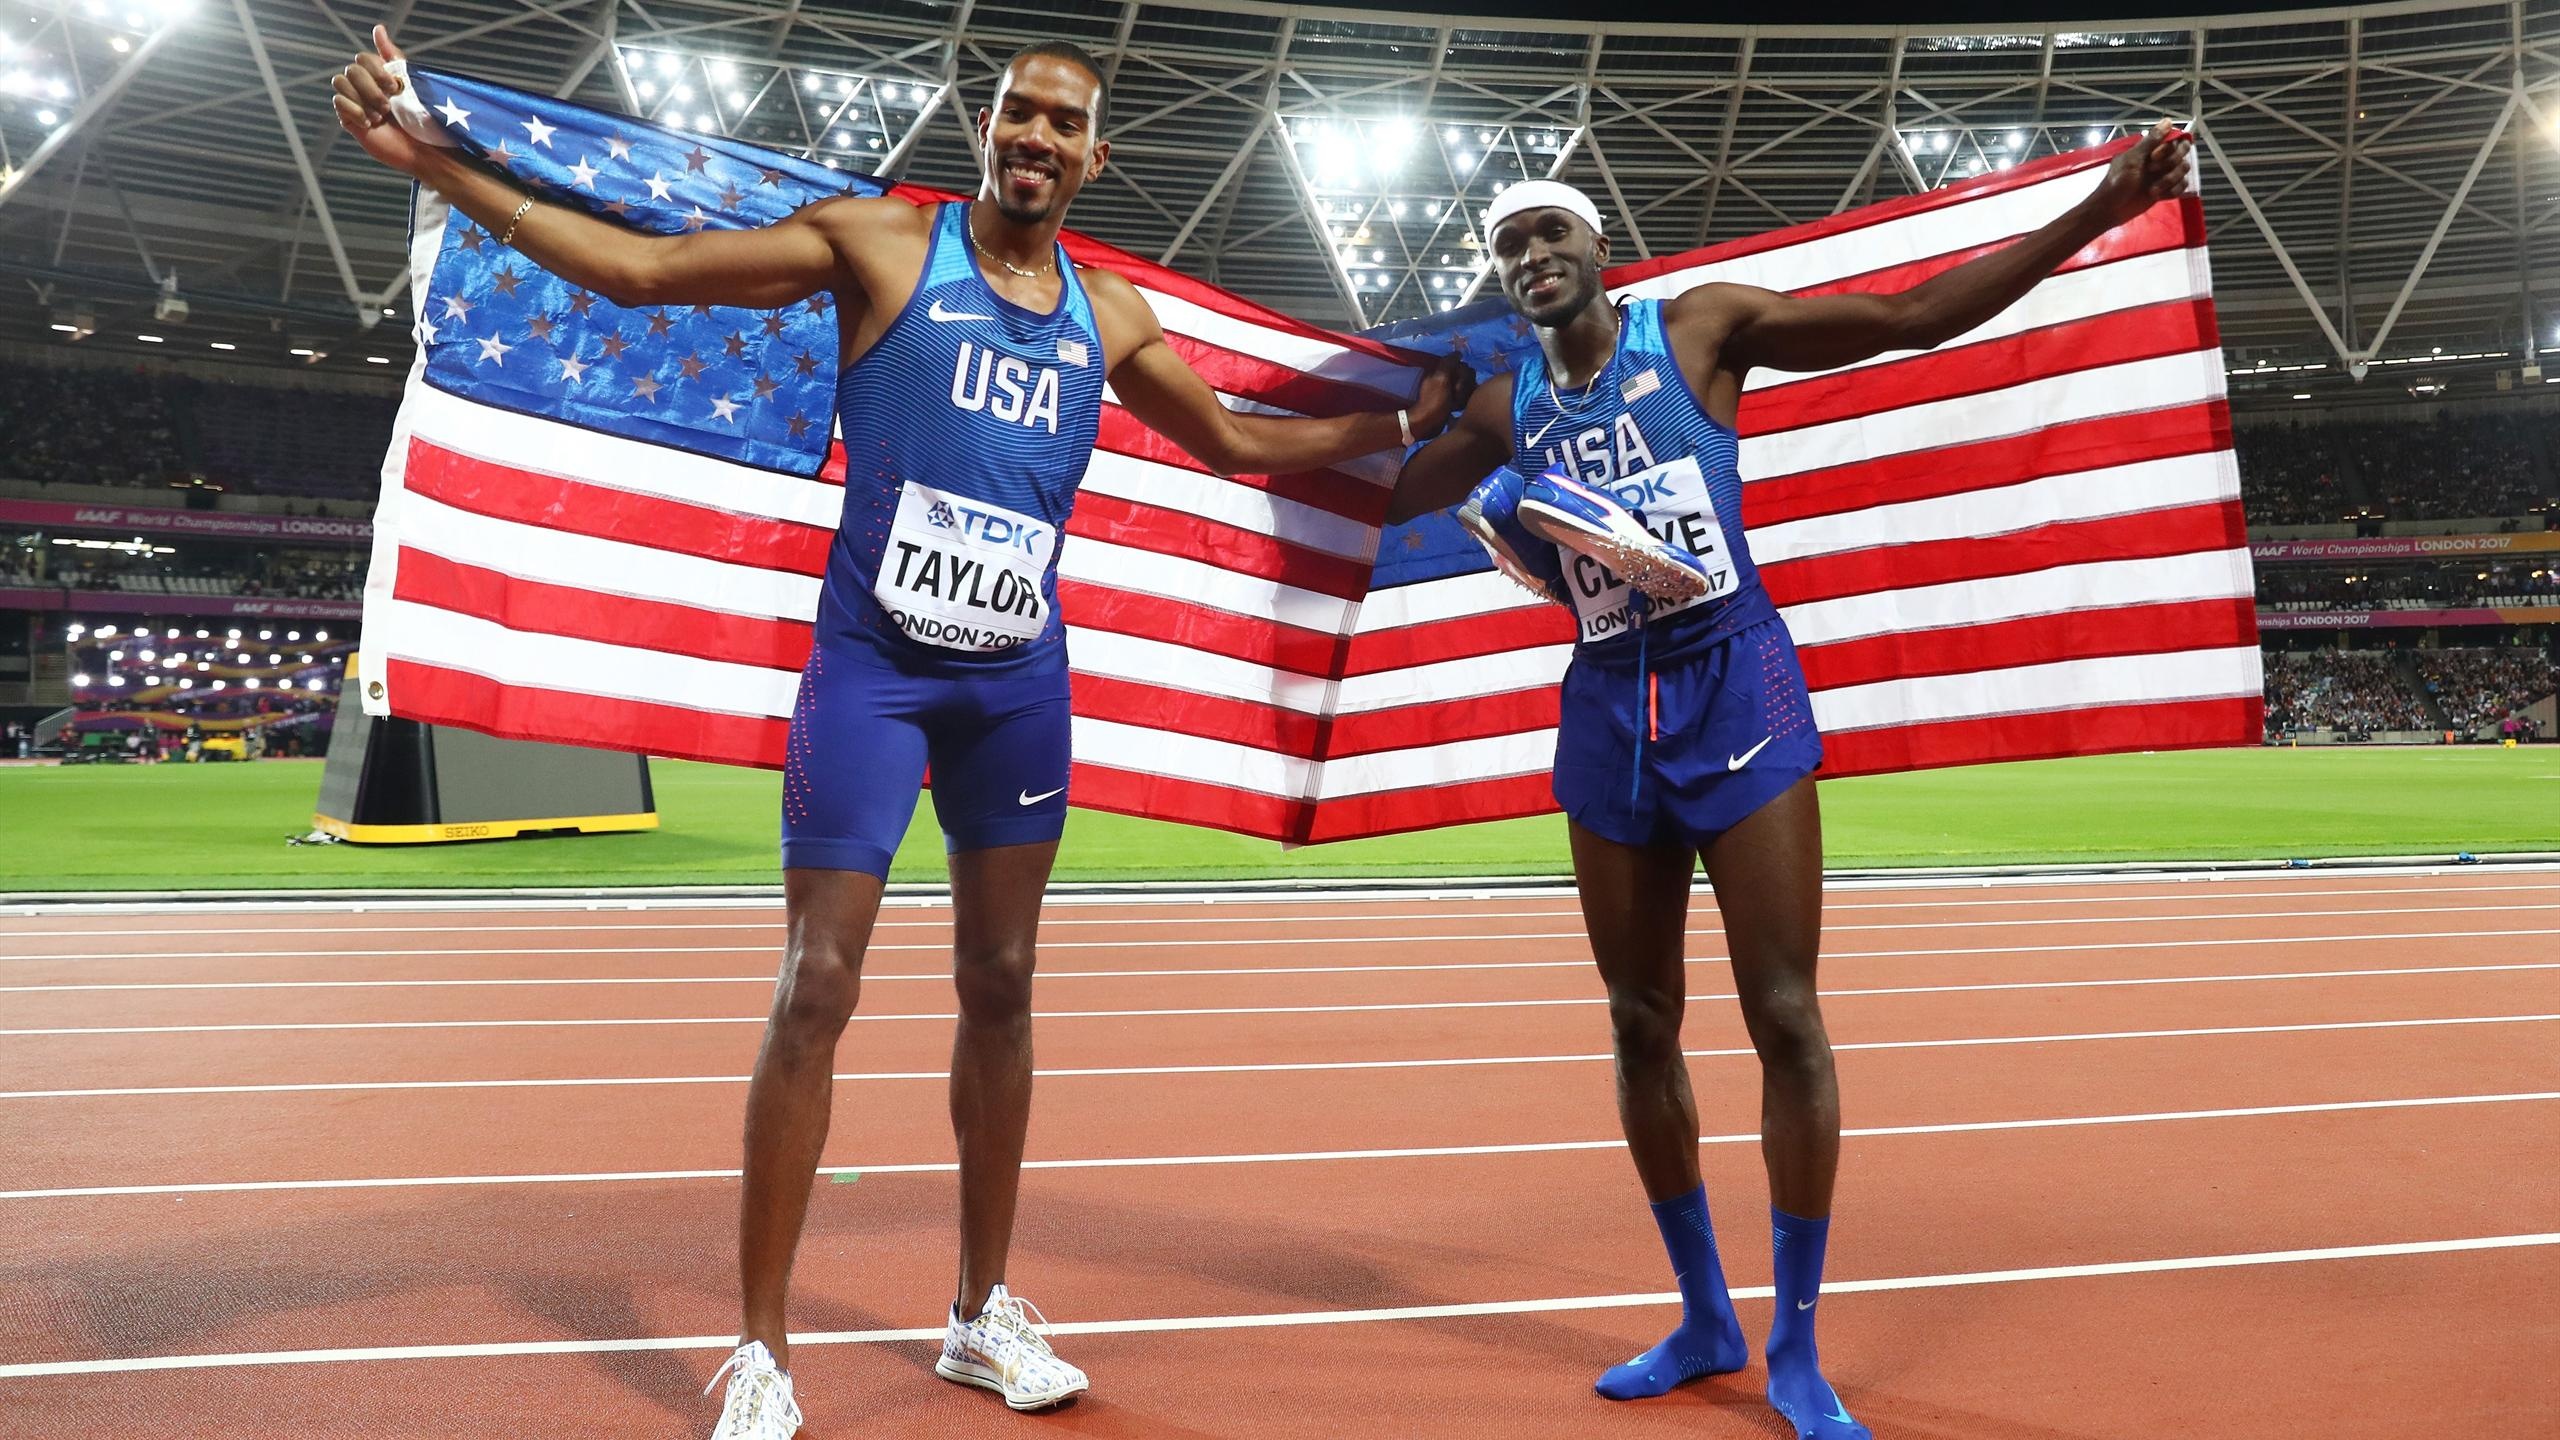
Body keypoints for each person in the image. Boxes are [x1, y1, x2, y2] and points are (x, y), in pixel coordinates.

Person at [334, 27, 1467, 1439]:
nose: (1038, 140)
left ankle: (981, 1317)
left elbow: (1239, 445)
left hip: (1015, 685)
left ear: (1093, 156)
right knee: (817, 986)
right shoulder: (881, 248)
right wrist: (432, 160)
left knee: (1002, 984)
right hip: (872, 671)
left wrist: (1401, 422)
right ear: (988, 129)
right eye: (1019, 116)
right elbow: (644, 272)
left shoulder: (1106, 313)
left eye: (1066, 125)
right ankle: (760, 1349)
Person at [1387, 130, 2197, 1440]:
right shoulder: (1504, 403)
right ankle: (1704, 1314)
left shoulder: (1699, 328)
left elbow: (1915, 313)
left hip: (1738, 683)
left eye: (1552, 233)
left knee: (1784, 1014)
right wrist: (1406, 422)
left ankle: (1796, 1349)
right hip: (1608, 709)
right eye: (1509, 245)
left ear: (1601, 249)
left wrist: (2099, 206)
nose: (1532, 255)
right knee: (1641, 1018)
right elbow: (1389, 498)